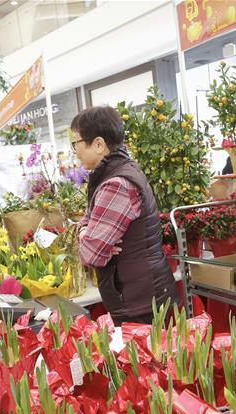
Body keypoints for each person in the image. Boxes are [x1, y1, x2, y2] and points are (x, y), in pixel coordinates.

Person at [70, 105, 178, 325]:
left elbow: (91, 254)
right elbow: (87, 221)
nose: (74, 150)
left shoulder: (116, 184)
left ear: (98, 144)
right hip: (142, 296)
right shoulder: (118, 172)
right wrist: (87, 229)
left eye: (76, 142)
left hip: (142, 304)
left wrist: (86, 235)